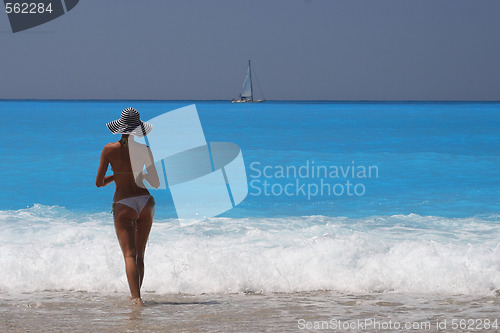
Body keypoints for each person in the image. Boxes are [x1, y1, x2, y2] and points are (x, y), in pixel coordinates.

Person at [96, 107, 160, 306]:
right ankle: (136, 295)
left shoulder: (109, 149)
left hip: (124, 203)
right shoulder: (145, 150)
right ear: (139, 129)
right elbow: (155, 182)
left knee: (129, 254)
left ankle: (137, 298)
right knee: (140, 254)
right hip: (145, 202)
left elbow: (99, 182)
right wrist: (139, 175)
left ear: (120, 128)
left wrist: (118, 175)